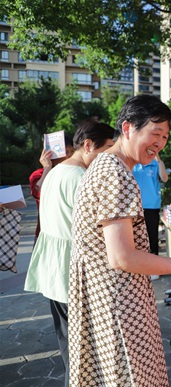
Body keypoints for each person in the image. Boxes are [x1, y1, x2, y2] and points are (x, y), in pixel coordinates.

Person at [68, 95, 171, 386]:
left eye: (165, 137)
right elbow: (123, 257)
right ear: (127, 128)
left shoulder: (106, 165)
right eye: (155, 133)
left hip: (104, 295)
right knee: (132, 375)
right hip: (118, 301)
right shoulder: (116, 173)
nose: (159, 143)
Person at [24, 118, 116, 386]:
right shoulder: (81, 179)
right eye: (107, 148)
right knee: (85, 358)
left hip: (55, 274)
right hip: (74, 277)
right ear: (88, 145)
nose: (110, 155)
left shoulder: (54, 173)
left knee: (71, 352)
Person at [29, 137, 74, 240]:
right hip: (47, 233)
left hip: (71, 232)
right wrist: (47, 168)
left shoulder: (77, 173)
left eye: (72, 151)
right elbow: (38, 193)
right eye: (66, 152)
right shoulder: (38, 175)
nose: (70, 156)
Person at [133, 154, 168, 256]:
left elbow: (164, 178)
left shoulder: (156, 163)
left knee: (152, 237)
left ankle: (154, 267)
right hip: (135, 207)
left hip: (152, 206)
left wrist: (159, 160)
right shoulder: (134, 164)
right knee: (137, 238)